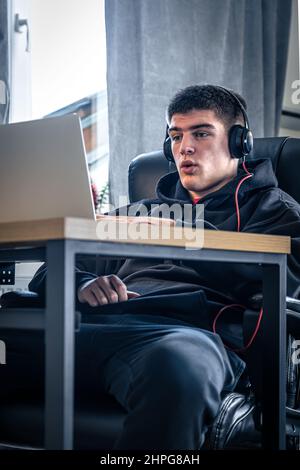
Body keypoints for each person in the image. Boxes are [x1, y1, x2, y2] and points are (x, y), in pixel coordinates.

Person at [3, 85, 300, 450]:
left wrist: (184, 236)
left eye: (201, 133)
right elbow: (46, 274)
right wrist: (83, 284)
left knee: (179, 364)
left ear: (240, 143)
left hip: (176, 336)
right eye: (175, 136)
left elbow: (283, 286)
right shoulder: (137, 214)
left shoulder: (275, 211)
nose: (184, 148)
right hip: (90, 325)